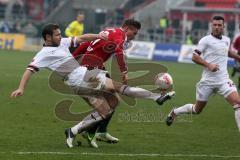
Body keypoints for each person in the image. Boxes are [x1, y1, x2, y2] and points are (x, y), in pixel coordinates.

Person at [10, 23, 175, 148]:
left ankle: (72, 131)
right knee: (117, 87)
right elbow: (29, 70)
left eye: (60, 34)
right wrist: (21, 88)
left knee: (104, 111)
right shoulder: (43, 54)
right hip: (84, 77)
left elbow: (81, 38)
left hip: (78, 83)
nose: (60, 37)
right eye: (57, 35)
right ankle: (156, 97)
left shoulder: (61, 43)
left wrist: (99, 36)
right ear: (47, 37)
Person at [72, 19, 141, 148]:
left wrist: (73, 57)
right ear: (127, 28)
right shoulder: (120, 35)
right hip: (92, 71)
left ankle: (99, 132)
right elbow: (119, 52)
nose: (134, 36)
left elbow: (87, 44)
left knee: (114, 101)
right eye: (134, 33)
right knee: (107, 105)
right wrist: (124, 71)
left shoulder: (109, 31)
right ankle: (87, 131)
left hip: (94, 68)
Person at [165, 16, 240, 132]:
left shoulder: (226, 39)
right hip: (207, 82)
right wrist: (208, 65)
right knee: (196, 110)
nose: (216, 27)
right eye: (214, 25)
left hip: (223, 80)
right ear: (211, 26)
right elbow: (194, 57)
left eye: (219, 25)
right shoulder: (205, 40)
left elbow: (226, 51)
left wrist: (238, 57)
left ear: (223, 27)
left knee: (238, 104)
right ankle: (175, 112)